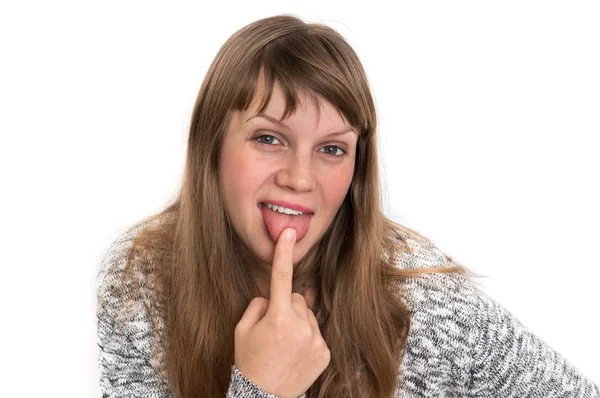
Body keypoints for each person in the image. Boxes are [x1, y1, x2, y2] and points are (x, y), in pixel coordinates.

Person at [96, 14, 599, 398]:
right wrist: (263, 387)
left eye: (332, 149)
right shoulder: (139, 281)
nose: (299, 178)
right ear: (211, 146)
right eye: (269, 138)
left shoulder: (428, 306)